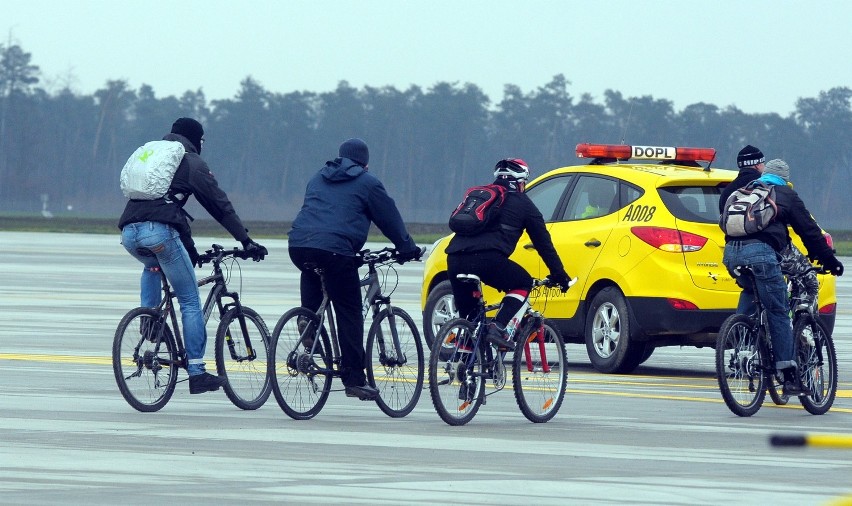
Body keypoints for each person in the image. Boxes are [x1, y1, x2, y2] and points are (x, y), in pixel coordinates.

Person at [118, 117, 268, 395]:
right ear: (196, 139)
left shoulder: (155, 156)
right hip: (158, 232)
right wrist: (245, 240)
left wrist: (190, 250)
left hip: (129, 231)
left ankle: (150, 324)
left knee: (153, 266)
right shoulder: (191, 163)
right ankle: (197, 371)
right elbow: (219, 205)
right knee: (189, 299)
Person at [287, 138, 422, 401]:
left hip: (299, 245)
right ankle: (354, 379)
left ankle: (309, 319)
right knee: (349, 311)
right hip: (336, 250)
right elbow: (389, 218)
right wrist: (407, 248)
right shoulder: (368, 183)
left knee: (315, 270)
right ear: (365, 163)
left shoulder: (318, 177)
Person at [720, 146, 843, 396]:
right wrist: (829, 260)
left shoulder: (743, 191)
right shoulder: (785, 194)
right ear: (784, 178)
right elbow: (809, 231)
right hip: (763, 254)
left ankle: (744, 334)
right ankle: (789, 376)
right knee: (777, 310)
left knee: (752, 287)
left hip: (731, 254)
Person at [445, 158, 572, 350]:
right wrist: (560, 276)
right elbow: (544, 244)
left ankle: (468, 369)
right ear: (522, 181)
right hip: (487, 260)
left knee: (471, 326)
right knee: (522, 283)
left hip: (454, 258)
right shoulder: (524, 204)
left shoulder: (481, 196)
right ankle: (498, 326)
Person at [762, 159, 819, 310]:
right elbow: (808, 228)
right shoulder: (786, 194)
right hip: (772, 251)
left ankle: (746, 328)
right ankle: (802, 317)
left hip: (735, 252)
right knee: (809, 277)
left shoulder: (747, 190)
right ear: (785, 178)